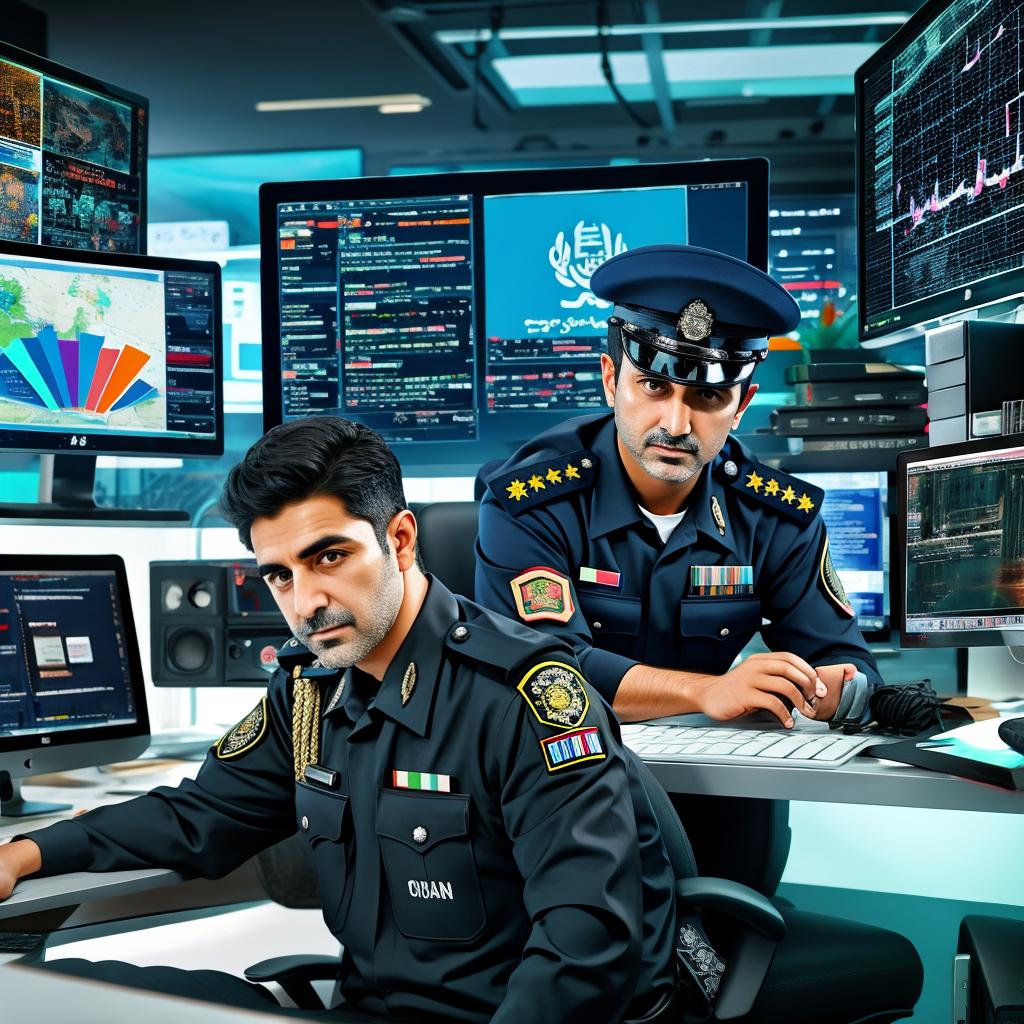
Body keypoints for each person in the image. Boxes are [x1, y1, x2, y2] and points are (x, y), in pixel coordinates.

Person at [0, 417, 675, 1024]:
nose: (306, 601)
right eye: (280, 576)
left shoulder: (525, 696)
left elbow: (585, 950)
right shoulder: (310, 693)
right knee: (46, 996)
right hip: (362, 1010)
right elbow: (197, 817)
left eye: (329, 557)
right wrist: (27, 851)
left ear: (400, 539)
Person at [475, 243, 881, 737]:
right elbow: (541, 674)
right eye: (653, 387)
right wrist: (705, 690)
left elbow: (846, 659)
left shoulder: (777, 516)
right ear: (610, 380)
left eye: (707, 395)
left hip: (723, 782)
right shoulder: (530, 502)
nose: (676, 423)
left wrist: (838, 686)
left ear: (742, 405)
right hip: (563, 778)